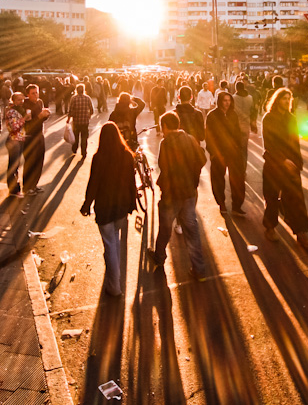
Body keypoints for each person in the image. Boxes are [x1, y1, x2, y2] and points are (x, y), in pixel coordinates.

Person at [148, 111, 208, 280]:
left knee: (165, 228)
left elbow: (162, 165)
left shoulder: (166, 143)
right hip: (189, 192)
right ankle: (199, 269)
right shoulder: (189, 138)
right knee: (192, 230)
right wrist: (192, 174)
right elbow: (202, 160)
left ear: (165, 126)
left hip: (172, 194)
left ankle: (159, 257)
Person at [81, 122, 138, 297]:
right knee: (115, 240)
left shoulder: (99, 157)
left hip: (104, 207)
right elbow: (131, 183)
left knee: (110, 243)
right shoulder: (127, 155)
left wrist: (86, 204)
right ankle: (115, 276)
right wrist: (132, 203)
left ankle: (114, 286)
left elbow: (94, 183)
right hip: (121, 206)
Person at [262, 88, 308, 248]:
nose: (286, 101)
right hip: (274, 163)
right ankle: (270, 227)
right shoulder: (268, 118)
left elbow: (295, 142)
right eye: (284, 98)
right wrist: (282, 160)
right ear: (277, 100)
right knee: (272, 198)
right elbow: (269, 144)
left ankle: (301, 232)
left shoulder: (291, 118)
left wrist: (297, 163)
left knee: (296, 199)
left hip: (291, 165)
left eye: (288, 99)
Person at [205, 91, 246, 214]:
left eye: (229, 100)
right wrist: (213, 152)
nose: (227, 103)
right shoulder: (212, 115)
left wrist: (239, 149)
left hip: (233, 152)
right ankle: (221, 203)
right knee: (218, 180)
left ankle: (237, 206)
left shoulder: (233, 114)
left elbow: (237, 133)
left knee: (237, 180)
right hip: (218, 153)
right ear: (219, 101)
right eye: (224, 100)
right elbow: (209, 136)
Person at [22, 85, 51, 195]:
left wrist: (46, 115)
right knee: (30, 162)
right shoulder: (25, 105)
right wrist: (39, 116)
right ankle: (27, 187)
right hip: (29, 136)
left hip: (39, 134)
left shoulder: (40, 102)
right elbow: (28, 124)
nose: (36, 95)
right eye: (33, 93)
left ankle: (34, 185)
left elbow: (42, 119)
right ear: (28, 94)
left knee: (39, 161)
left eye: (37, 92)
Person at [3, 92, 27, 197]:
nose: (21, 102)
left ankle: (16, 188)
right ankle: (13, 189)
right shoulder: (11, 112)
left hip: (19, 140)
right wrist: (25, 118)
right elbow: (14, 127)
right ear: (13, 100)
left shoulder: (19, 110)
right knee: (13, 166)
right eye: (18, 100)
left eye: (22, 99)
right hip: (14, 140)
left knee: (16, 166)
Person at [232, 81, 256, 171]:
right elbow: (253, 111)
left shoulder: (233, 98)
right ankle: (244, 168)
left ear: (236, 88)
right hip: (246, 126)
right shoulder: (250, 98)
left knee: (236, 148)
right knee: (244, 149)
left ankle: (237, 168)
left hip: (236, 126)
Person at [67, 83, 94, 158]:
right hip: (85, 122)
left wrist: (68, 119)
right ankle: (84, 152)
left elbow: (71, 110)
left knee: (75, 136)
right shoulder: (87, 98)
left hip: (76, 121)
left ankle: (74, 149)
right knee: (84, 137)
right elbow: (92, 110)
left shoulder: (73, 98)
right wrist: (88, 116)